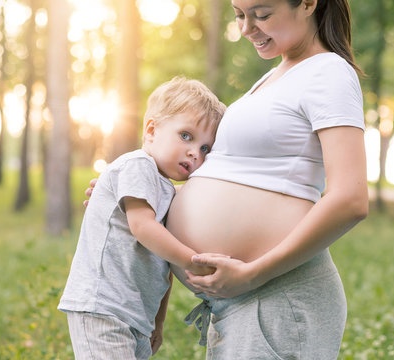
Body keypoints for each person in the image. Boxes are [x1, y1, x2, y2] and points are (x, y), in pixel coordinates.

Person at [86, 0, 368, 358]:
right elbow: (237, 174)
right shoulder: (275, 76)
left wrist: (253, 273)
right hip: (240, 302)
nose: (247, 28)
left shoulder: (328, 71)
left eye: (262, 14)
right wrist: (136, 191)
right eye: (239, 15)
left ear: (309, 3)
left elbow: (351, 199)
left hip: (275, 294)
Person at [58, 76, 226, 360]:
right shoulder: (138, 165)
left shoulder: (168, 191)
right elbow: (143, 228)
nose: (194, 153)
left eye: (205, 148)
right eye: (186, 135)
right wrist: (193, 260)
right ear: (151, 130)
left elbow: (164, 267)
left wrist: (158, 322)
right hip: (104, 307)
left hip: (136, 316)